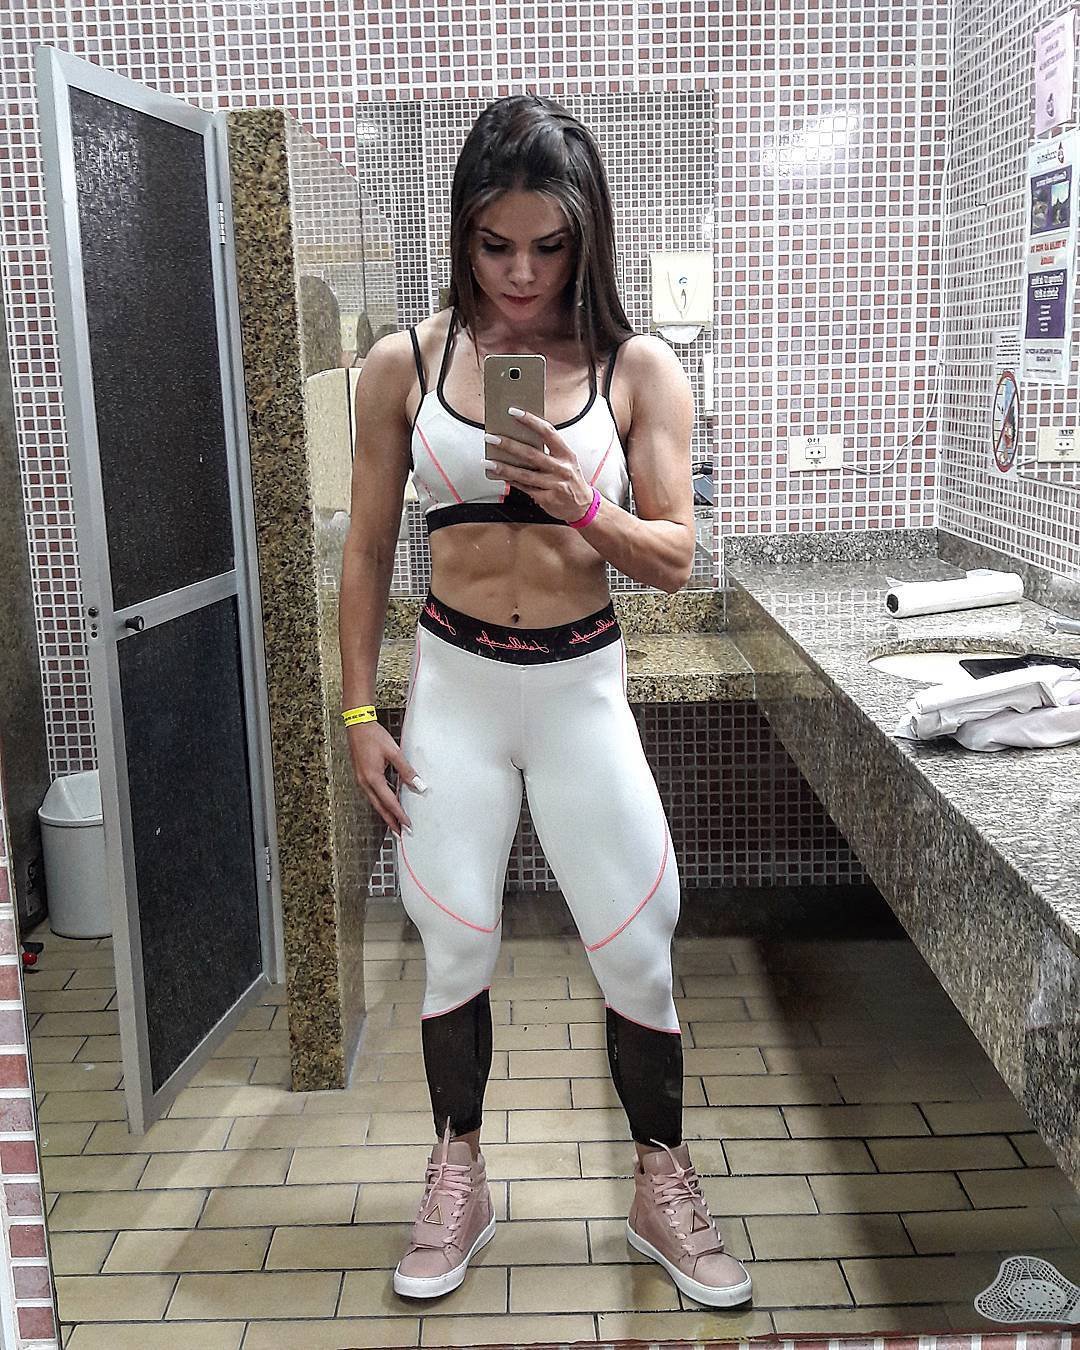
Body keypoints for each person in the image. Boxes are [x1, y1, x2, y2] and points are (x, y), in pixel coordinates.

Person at [339, 94, 752, 1310]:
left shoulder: (638, 368)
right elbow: (366, 549)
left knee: (638, 945)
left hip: (579, 692)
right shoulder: (403, 365)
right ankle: (457, 1176)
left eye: (549, 246)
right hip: (456, 692)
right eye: (495, 245)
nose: (521, 276)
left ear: (587, 237)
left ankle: (661, 1186)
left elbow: (675, 556)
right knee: (454, 942)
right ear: (461, 232)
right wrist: (360, 716)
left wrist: (583, 505)